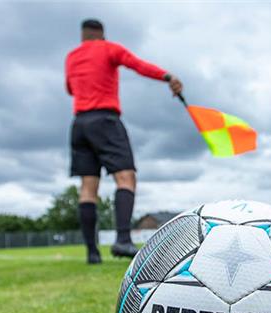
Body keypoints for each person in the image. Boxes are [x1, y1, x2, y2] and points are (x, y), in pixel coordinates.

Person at [65, 18, 183, 264]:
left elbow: (70, 89)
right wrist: (167, 76)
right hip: (105, 120)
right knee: (126, 177)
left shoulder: (72, 57)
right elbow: (137, 65)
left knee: (88, 187)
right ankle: (122, 239)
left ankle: (92, 253)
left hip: (79, 125)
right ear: (102, 35)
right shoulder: (109, 49)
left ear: (83, 35)